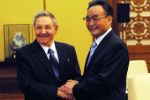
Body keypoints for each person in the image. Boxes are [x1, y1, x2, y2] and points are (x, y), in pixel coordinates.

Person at [60, 0, 129, 100]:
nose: (91, 23)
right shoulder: (98, 42)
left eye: (95, 18)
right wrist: (79, 83)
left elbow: (104, 81)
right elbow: (93, 75)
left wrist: (75, 88)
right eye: (88, 19)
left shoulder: (116, 45)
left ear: (109, 19)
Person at [16, 11, 81, 100]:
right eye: (38, 28)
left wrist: (75, 83)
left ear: (56, 28)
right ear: (34, 29)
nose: (43, 32)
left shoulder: (69, 50)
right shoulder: (24, 53)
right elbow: (26, 85)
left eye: (47, 27)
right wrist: (57, 92)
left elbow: (77, 75)